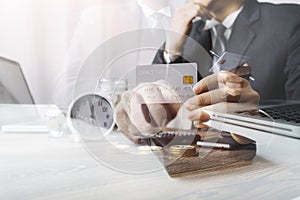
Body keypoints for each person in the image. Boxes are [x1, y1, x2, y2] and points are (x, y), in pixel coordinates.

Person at [115, 0, 300, 141]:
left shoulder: (288, 20)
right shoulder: (191, 31)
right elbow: (152, 105)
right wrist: (172, 48)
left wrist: (256, 121)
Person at [53, 0, 186, 107]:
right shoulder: (99, 19)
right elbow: (67, 89)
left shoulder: (200, 16)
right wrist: (116, 100)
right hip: (118, 133)